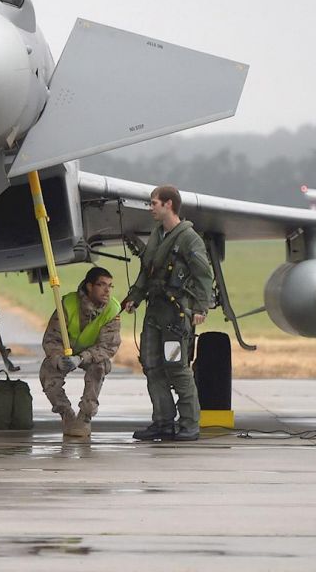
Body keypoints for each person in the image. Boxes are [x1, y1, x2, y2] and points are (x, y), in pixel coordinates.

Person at [121, 185, 213, 442]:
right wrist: (135, 297)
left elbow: (204, 275)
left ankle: (189, 424)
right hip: (154, 313)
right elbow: (147, 271)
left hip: (174, 316)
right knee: (151, 365)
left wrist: (200, 307)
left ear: (168, 204)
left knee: (177, 368)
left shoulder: (188, 238)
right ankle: (162, 422)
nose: (150, 208)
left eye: (154, 203)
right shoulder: (157, 235)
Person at [39, 266, 122, 439]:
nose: (107, 290)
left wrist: (82, 358)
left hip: (91, 355)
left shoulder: (112, 310)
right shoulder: (68, 304)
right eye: (101, 285)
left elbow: (108, 346)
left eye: (110, 286)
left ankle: (85, 416)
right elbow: (51, 338)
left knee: (100, 366)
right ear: (89, 286)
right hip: (66, 352)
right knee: (48, 369)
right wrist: (58, 358)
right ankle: (66, 414)